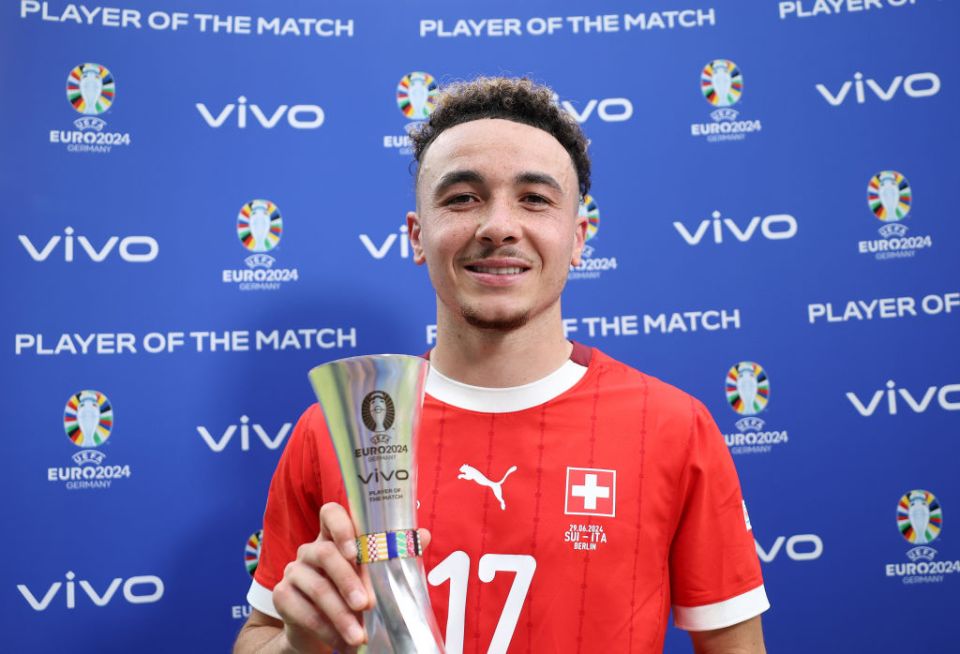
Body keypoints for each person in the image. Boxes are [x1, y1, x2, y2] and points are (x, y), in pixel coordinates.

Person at [234, 77, 769, 654]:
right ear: (417, 236)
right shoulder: (335, 430)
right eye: (462, 198)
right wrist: (300, 646)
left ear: (579, 237)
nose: (498, 226)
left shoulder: (672, 427)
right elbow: (258, 638)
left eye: (535, 199)